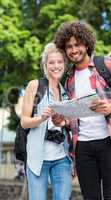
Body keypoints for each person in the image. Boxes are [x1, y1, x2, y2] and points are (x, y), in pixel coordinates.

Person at [53, 21, 111, 200]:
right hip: (82, 147)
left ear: (86, 43)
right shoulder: (68, 79)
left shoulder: (107, 64)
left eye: (77, 44)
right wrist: (63, 121)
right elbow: (74, 117)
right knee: (90, 197)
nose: (73, 50)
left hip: (110, 141)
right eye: (69, 47)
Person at [20, 42, 72, 200]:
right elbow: (24, 122)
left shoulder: (66, 92)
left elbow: (69, 123)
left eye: (60, 62)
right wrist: (41, 118)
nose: (56, 66)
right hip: (37, 159)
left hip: (62, 158)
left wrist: (62, 123)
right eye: (51, 62)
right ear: (45, 65)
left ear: (64, 64)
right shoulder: (35, 85)